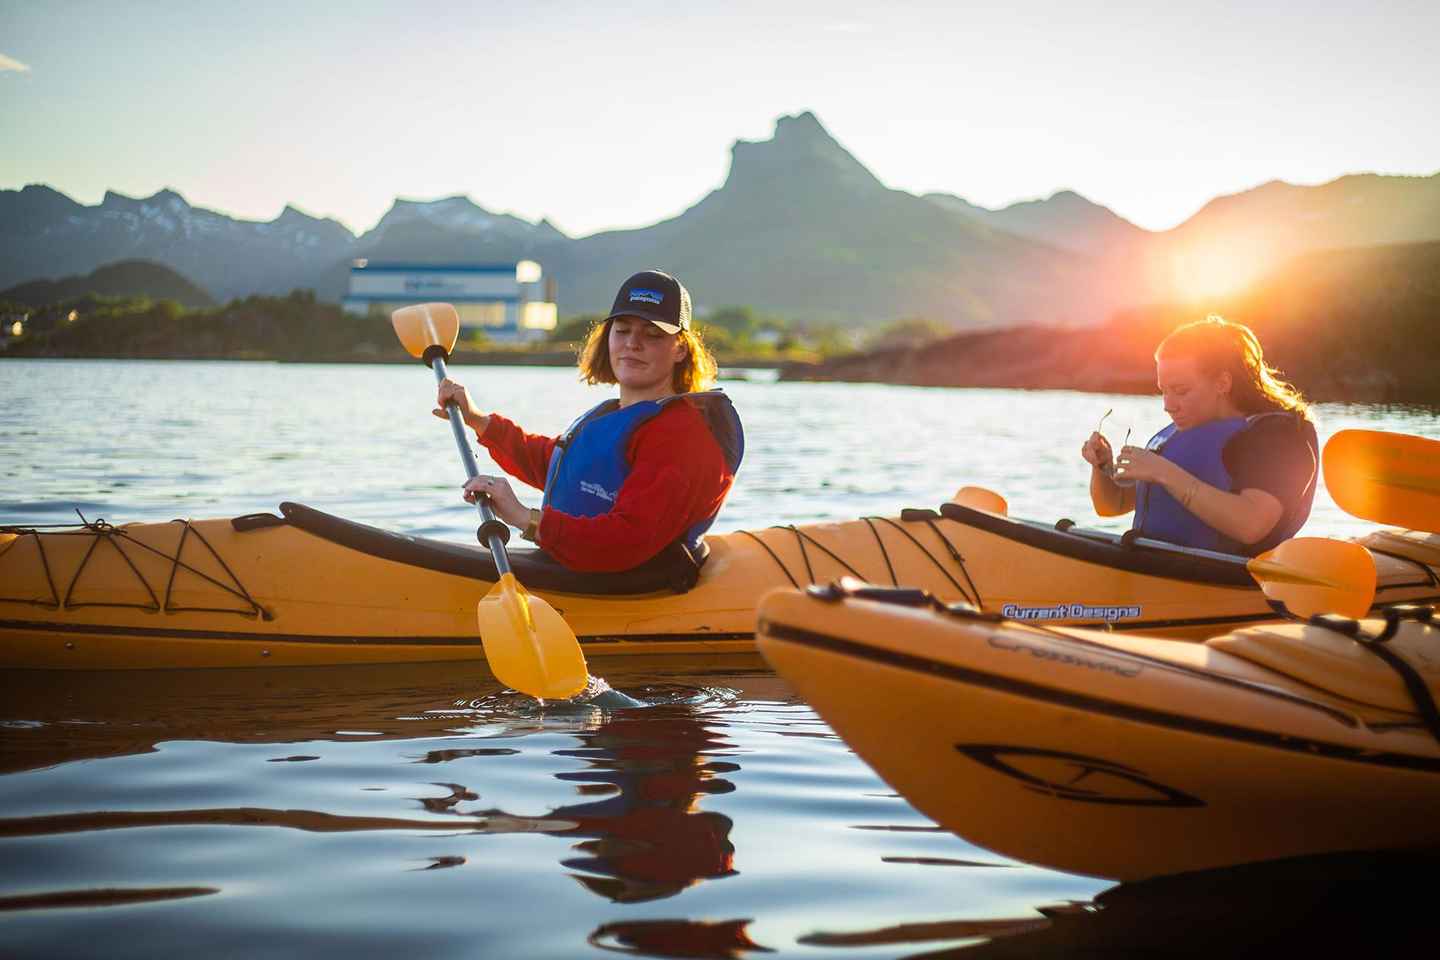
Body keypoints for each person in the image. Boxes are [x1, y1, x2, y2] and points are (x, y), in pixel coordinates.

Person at [433, 270, 743, 579]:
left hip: (628, 586)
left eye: (653, 335)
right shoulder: (621, 414)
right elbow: (560, 466)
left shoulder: (683, 436)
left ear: (680, 349)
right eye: (622, 330)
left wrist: (524, 518)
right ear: (607, 338)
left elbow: (627, 540)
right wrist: (478, 420)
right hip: (577, 567)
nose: (633, 344)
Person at [1081, 315, 1317, 557]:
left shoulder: (1279, 437)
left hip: (1232, 582)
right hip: (1162, 573)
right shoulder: (1185, 437)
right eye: (1164, 391)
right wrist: (1102, 467)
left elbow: (1251, 525)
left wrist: (1163, 472)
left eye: (1181, 391)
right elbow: (1113, 506)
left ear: (1222, 383)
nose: (1168, 406)